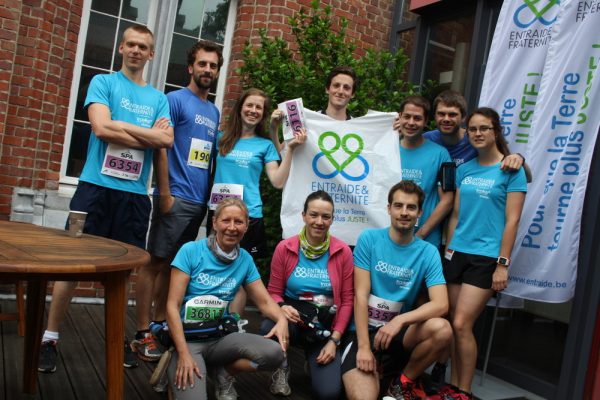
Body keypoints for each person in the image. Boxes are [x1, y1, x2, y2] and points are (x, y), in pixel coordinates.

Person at [38, 24, 173, 373]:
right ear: (121, 48)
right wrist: (147, 135)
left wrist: (121, 128)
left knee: (122, 273)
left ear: (151, 54)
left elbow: (166, 142)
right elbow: (100, 128)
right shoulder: (103, 83)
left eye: (143, 46)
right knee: (72, 264)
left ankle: (116, 339)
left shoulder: (159, 99)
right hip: (94, 189)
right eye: (131, 44)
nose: (136, 50)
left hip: (134, 196)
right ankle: (49, 338)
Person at [132, 40, 223, 362]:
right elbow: (161, 146)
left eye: (213, 65)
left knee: (174, 266)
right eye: (202, 64)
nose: (207, 70)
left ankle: (159, 325)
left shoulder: (214, 111)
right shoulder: (174, 100)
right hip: (175, 196)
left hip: (198, 201)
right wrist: (165, 192)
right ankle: (141, 332)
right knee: (154, 262)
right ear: (190, 67)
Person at [435, 107, 527, 400]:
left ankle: (464, 391)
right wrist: (449, 247)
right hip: (457, 253)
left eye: (483, 128)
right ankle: (452, 387)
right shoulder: (465, 169)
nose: (477, 133)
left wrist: (503, 264)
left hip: (486, 258)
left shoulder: (511, 170)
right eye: (472, 129)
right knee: (453, 323)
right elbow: (456, 213)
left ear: (495, 131)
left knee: (462, 323)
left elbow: (512, 221)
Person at [165, 198, 288, 400]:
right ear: (214, 223)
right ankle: (173, 363)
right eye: (226, 220)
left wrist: (282, 319)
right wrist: (184, 354)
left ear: (246, 226)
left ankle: (224, 372)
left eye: (239, 222)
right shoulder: (190, 251)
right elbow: (172, 305)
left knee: (275, 354)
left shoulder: (245, 259)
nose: (232, 227)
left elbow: (265, 302)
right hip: (188, 340)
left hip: (221, 337)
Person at [341, 181, 452, 400]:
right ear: (389, 208)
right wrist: (364, 347)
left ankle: (401, 384)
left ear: (419, 213)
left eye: (411, 207)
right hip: (363, 332)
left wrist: (399, 321)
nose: (404, 212)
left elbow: (441, 304)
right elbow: (360, 295)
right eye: (398, 205)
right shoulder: (369, 239)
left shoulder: (428, 252)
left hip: (398, 334)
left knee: (443, 329)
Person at [261, 190, 354, 399]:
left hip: (324, 325)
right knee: (269, 326)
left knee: (329, 393)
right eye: (313, 215)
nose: (319, 222)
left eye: (325, 216)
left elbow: (348, 300)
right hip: (293, 319)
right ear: (303, 216)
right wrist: (281, 308)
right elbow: (273, 292)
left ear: (332, 219)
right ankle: (282, 366)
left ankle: (311, 362)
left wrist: (334, 341)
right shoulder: (285, 248)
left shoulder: (343, 252)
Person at [397, 95, 454, 247]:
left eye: (417, 118)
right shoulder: (387, 149)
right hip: (391, 238)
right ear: (399, 117)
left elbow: (448, 200)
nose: (411, 122)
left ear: (426, 121)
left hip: (425, 241)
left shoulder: (442, 154)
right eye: (407, 116)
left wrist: (421, 235)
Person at [270, 65, 357, 154]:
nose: (341, 91)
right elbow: (281, 154)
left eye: (346, 88)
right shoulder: (306, 122)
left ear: (352, 94)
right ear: (327, 89)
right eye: (336, 85)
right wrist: (273, 128)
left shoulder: (358, 129)